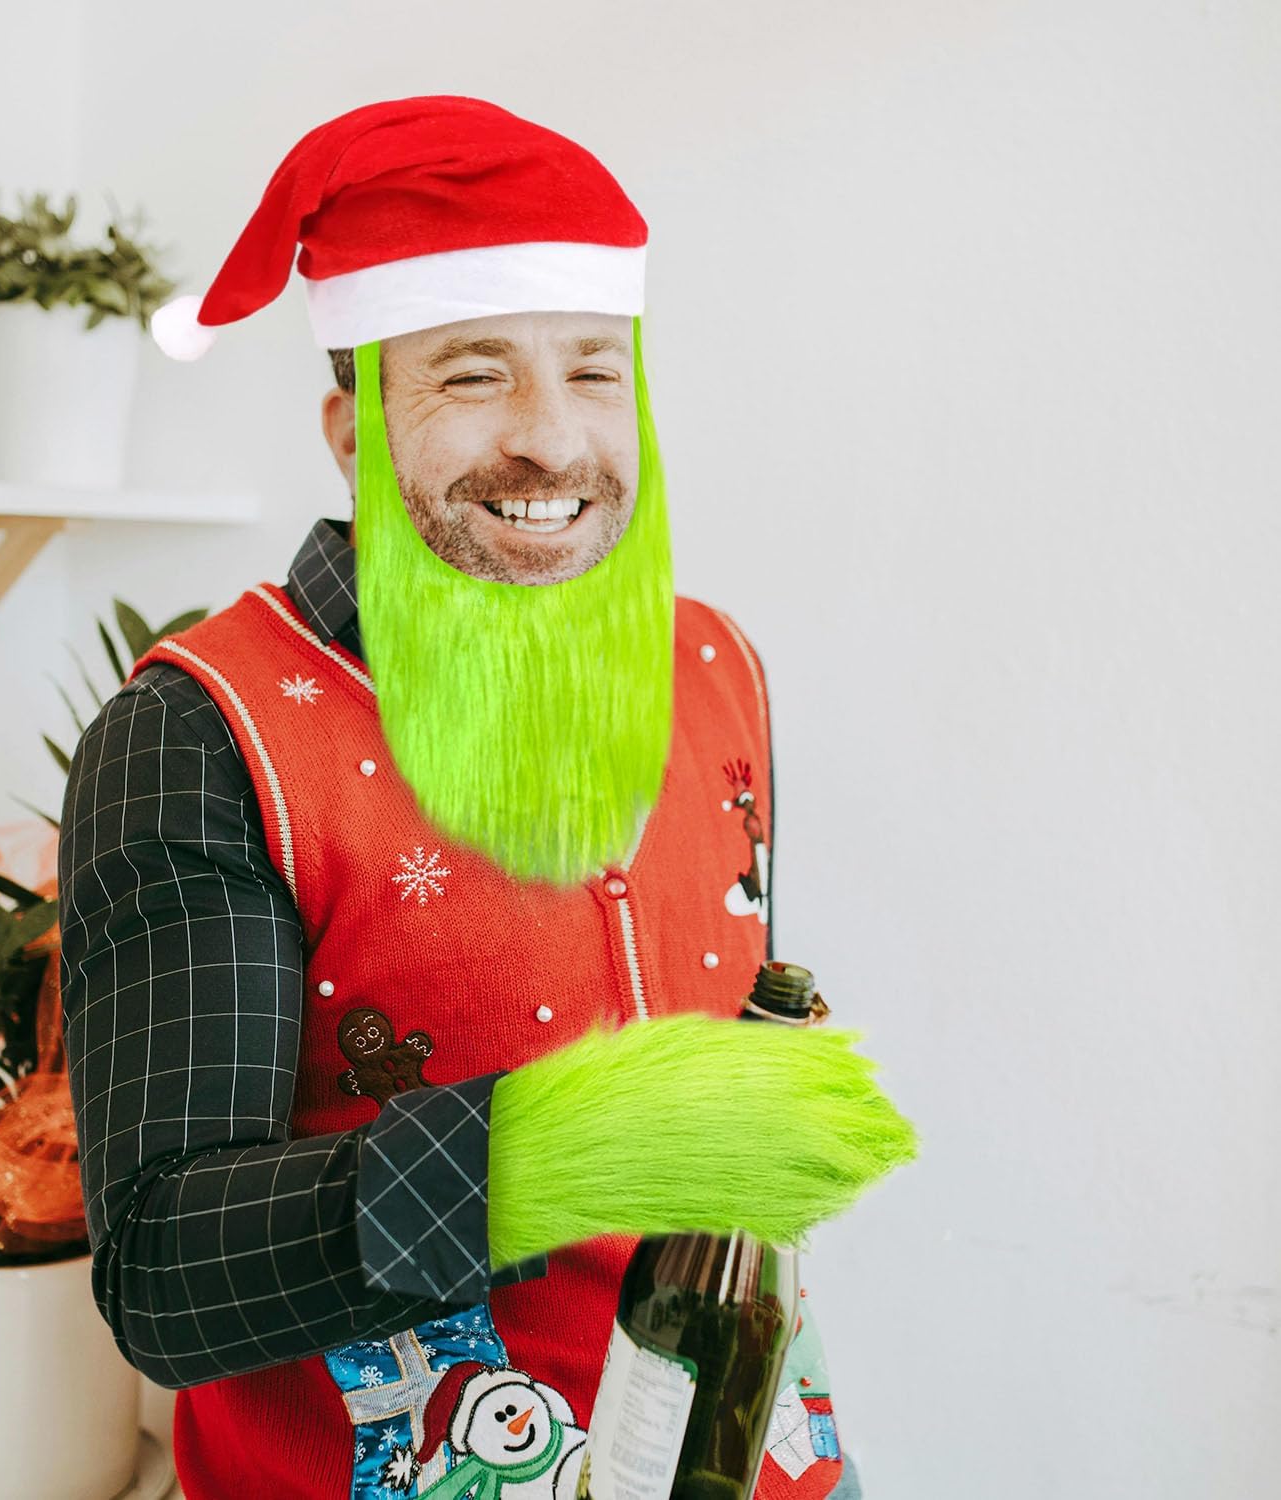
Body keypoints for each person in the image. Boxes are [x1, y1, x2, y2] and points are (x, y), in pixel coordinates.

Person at [57, 95, 913, 1500]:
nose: (554, 441)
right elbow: (162, 1271)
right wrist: (564, 1146)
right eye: (472, 375)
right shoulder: (200, 734)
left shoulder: (719, 666)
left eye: (594, 370)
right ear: (350, 431)